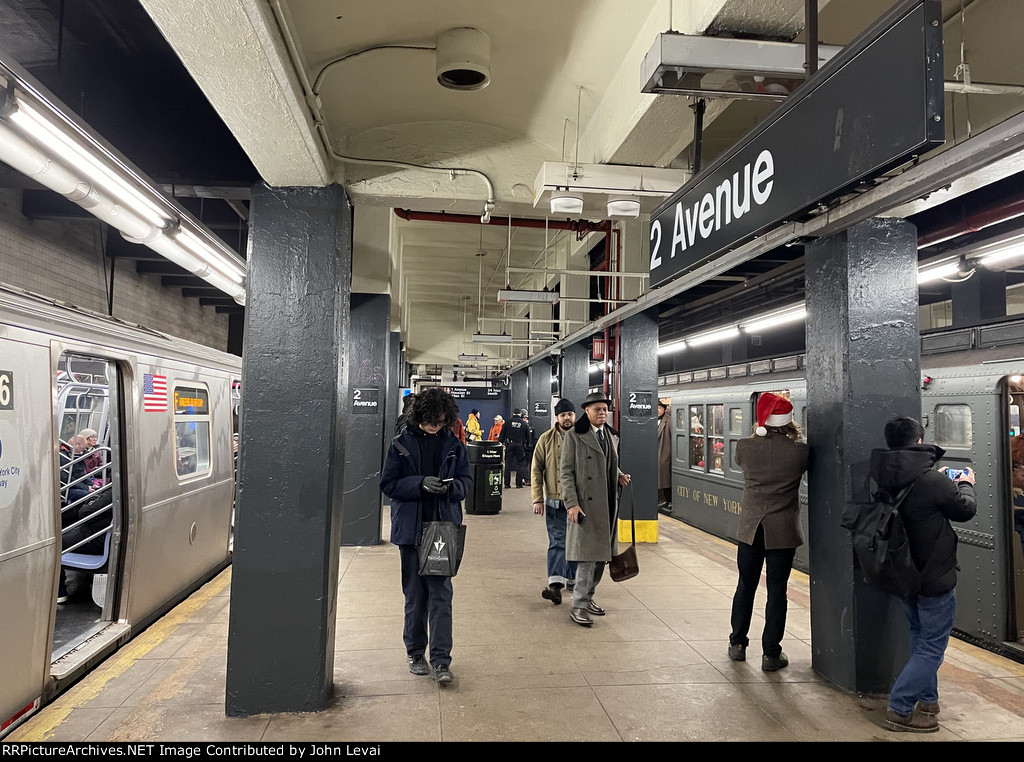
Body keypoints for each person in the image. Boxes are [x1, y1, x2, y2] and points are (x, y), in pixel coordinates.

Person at [868, 416, 977, 733]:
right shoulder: (932, 481)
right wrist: (965, 482)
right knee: (932, 647)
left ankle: (928, 702)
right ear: (918, 442)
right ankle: (900, 709)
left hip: (903, 575)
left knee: (921, 640)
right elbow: (965, 511)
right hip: (934, 578)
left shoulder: (882, 476)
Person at [380, 387, 472, 686]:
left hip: (443, 529)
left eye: (441, 420)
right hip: (411, 531)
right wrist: (420, 484)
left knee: (442, 595)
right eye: (430, 420)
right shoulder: (400, 445)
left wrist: (451, 488)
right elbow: (389, 484)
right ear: (419, 416)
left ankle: (442, 660)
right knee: (415, 596)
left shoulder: (454, 444)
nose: (435, 425)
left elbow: (465, 482)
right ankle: (416, 652)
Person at [728, 392, 809, 672]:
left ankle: (738, 644)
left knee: (745, 586)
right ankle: (771, 654)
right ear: (789, 422)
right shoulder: (800, 452)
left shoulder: (744, 447)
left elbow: (745, 463)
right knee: (777, 592)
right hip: (782, 531)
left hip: (751, 529)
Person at [560, 391, 630, 627]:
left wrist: (619, 475)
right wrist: (571, 503)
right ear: (587, 411)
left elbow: (610, 464)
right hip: (586, 507)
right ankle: (578, 605)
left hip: (608, 505)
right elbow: (566, 473)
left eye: (604, 409)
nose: (602, 413)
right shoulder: (574, 437)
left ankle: (588, 598)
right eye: (597, 409)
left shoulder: (610, 436)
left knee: (602, 559)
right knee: (587, 559)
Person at [531, 398, 578, 604]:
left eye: (569, 414)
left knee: (577, 543)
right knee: (558, 542)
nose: (567, 418)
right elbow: (536, 469)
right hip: (554, 502)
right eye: (562, 415)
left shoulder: (583, 437)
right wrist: (537, 499)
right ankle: (555, 586)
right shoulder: (546, 439)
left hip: (579, 503)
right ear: (557, 417)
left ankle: (575, 580)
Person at [499, 409, 531, 489]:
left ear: (513, 413)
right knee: (520, 465)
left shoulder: (508, 422)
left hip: (510, 444)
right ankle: (518, 484)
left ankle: (507, 484)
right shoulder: (524, 424)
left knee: (508, 464)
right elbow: (528, 437)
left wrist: (502, 442)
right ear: (520, 414)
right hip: (520, 445)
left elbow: (502, 435)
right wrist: (526, 445)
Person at [657, 401, 672, 512]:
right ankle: (664, 500)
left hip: (665, 453)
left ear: (663, 409)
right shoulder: (651, 420)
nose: (657, 410)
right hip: (655, 454)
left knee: (666, 479)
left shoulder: (669, 421)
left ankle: (669, 500)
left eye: (660, 408)